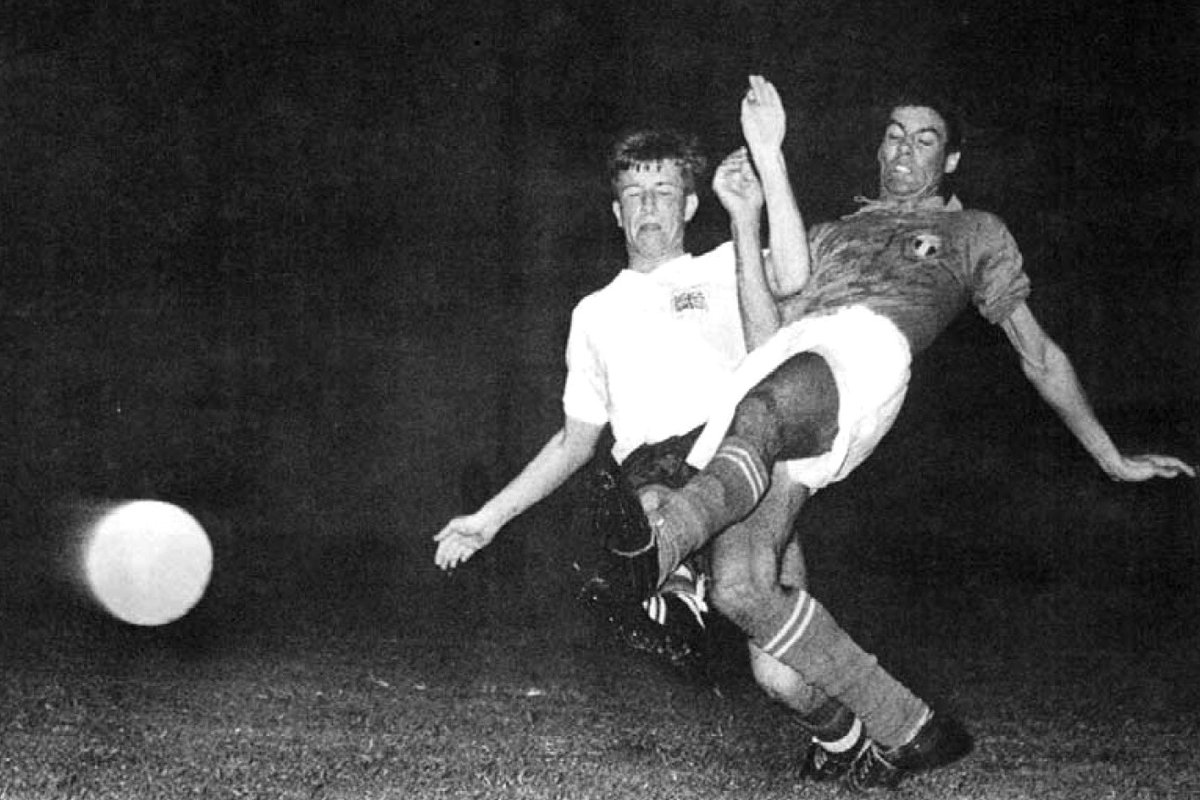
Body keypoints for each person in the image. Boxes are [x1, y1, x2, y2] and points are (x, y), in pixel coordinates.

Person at [591, 88, 1198, 790]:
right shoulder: (828, 234)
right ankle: (908, 726)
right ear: (878, 146)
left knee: (759, 416)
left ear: (952, 158)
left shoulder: (977, 232)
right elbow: (769, 337)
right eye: (895, 136)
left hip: (868, 353)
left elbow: (1038, 354)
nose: (905, 151)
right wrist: (750, 210)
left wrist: (1108, 454)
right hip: (788, 378)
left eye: (926, 139)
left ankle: (658, 551)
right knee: (743, 589)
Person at [434, 76, 895, 783]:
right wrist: (487, 520)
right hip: (651, 470)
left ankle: (840, 734)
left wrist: (765, 171)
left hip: (742, 465)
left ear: (687, 203)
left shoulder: (721, 265)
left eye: (662, 190)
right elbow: (573, 442)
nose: (647, 204)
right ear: (617, 214)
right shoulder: (594, 313)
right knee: (646, 495)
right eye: (633, 194)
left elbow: (796, 276)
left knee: (779, 674)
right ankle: (668, 583)